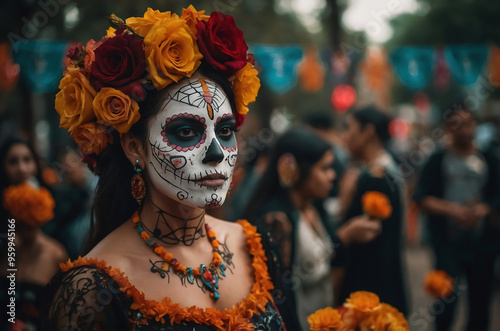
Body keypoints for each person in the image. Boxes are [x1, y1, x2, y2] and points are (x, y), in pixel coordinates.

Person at [43, 6, 289, 330]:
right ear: (135, 147)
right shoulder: (94, 289)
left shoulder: (255, 246)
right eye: (186, 132)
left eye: (226, 131)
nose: (216, 152)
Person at [246, 127, 382, 330]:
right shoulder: (277, 221)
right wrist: (343, 237)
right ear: (295, 169)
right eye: (324, 168)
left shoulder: (313, 208)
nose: (332, 176)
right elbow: (281, 292)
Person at [413, 104, 500, 331]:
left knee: (480, 305)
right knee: (445, 303)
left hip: (483, 245)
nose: (464, 130)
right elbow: (422, 197)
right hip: (447, 245)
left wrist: (484, 209)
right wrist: (451, 210)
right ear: (448, 128)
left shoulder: (490, 158)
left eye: (469, 123)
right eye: (456, 124)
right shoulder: (437, 160)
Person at [332, 106, 408, 315]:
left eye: (349, 128)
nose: (344, 136)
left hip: (368, 297)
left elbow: (366, 245)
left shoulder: (375, 178)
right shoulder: (382, 171)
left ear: (368, 132)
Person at [0, 137, 68, 330]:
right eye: (13, 161)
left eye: (27, 160)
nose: (21, 169)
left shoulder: (56, 249)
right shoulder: (5, 245)